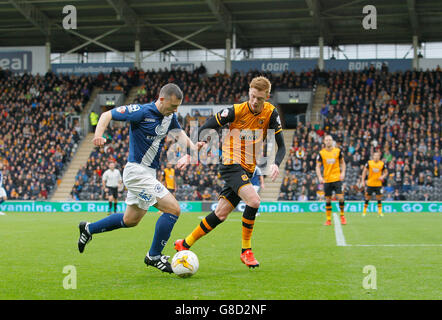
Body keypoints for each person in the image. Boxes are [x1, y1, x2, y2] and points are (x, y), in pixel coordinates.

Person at [77, 83, 201, 274]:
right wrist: (99, 135)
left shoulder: (170, 117)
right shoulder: (141, 112)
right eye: (173, 106)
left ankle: (89, 229)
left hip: (148, 173)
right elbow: (106, 115)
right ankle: (154, 256)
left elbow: (179, 133)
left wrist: (193, 148)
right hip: (136, 172)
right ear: (161, 99)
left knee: (130, 220)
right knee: (173, 209)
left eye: (177, 107)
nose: (175, 110)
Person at [174, 76, 286, 268]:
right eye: (252, 96)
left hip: (247, 169)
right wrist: (191, 150)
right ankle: (246, 251)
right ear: (249, 92)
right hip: (230, 162)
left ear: (267, 97)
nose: (254, 101)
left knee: (220, 214)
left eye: (259, 98)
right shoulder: (236, 110)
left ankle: (184, 243)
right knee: (254, 200)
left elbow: (281, 145)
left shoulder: (271, 113)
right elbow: (207, 125)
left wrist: (275, 163)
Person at [315, 135, 347, 226]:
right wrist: (320, 177)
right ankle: (328, 219)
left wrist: (343, 172)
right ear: (324, 141)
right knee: (328, 200)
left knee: (340, 198)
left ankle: (342, 216)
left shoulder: (338, 151)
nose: (328, 141)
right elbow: (317, 167)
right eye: (327, 140)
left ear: (332, 141)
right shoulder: (321, 153)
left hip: (337, 178)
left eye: (330, 140)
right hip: (327, 179)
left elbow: (343, 163)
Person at [361, 151, 388, 217]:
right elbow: (364, 171)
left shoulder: (382, 164)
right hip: (370, 183)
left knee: (379, 198)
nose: (376, 157)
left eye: (377, 156)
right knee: (367, 198)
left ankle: (380, 212)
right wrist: (363, 181)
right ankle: (364, 212)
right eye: (375, 155)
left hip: (378, 184)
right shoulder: (369, 163)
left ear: (379, 157)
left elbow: (386, 172)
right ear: (373, 156)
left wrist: (382, 176)